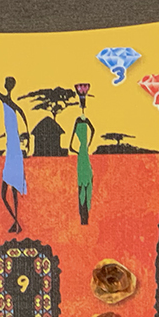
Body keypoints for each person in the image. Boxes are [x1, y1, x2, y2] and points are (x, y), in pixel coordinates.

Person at [0, 58, 29, 233]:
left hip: (13, 149)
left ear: (7, 86)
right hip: (13, 147)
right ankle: (16, 222)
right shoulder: (13, 104)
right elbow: (23, 118)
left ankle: (16, 223)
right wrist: (28, 139)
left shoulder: (7, 102)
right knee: (10, 190)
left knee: (5, 192)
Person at [69, 88, 96, 225]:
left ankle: (84, 217)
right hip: (83, 153)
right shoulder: (82, 121)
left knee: (85, 184)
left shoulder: (79, 121)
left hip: (82, 153)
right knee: (84, 185)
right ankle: (84, 217)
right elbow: (93, 130)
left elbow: (70, 146)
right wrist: (86, 145)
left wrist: (81, 148)